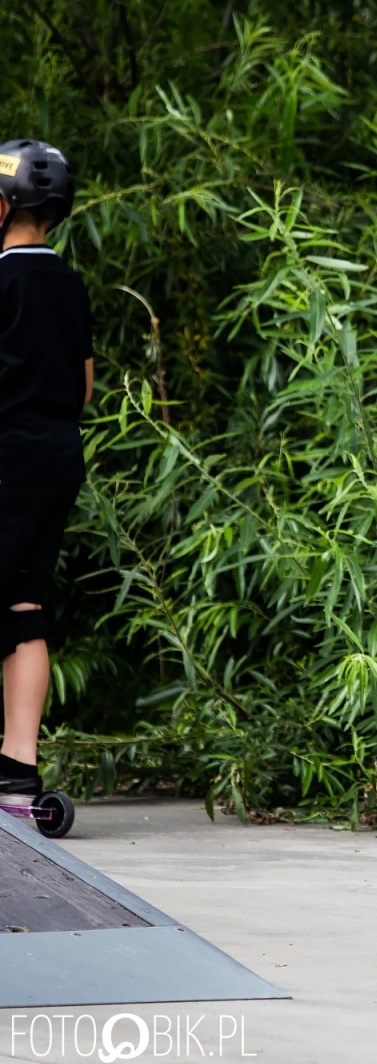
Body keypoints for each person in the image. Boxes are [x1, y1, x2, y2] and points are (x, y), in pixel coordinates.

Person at [0, 139, 91, 814]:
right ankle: (18, 772)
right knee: (23, 606)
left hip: (6, 456)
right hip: (58, 457)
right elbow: (83, 387)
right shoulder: (69, 284)